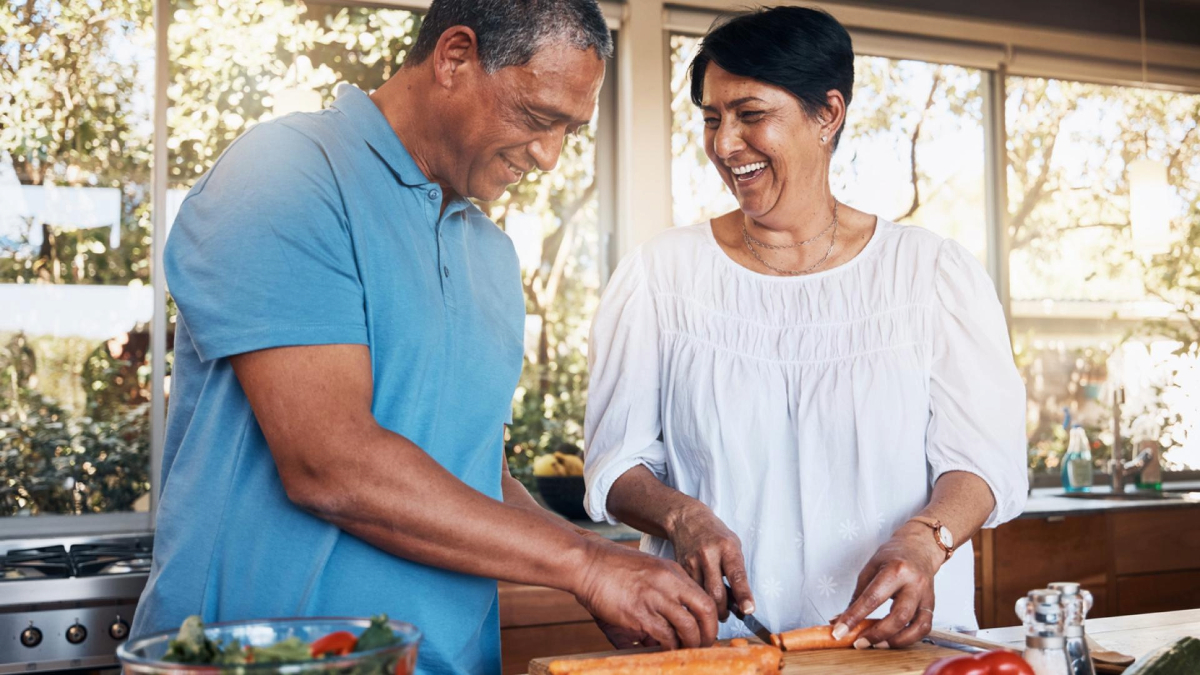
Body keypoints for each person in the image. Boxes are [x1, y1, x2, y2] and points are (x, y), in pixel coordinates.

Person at [132, 1, 718, 672]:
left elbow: (478, 476)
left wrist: (611, 571)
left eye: (569, 131)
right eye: (536, 117)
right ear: (454, 57)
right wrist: (586, 563)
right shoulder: (287, 174)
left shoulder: (492, 256)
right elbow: (330, 462)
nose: (550, 157)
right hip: (261, 659)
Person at [583, 5, 1028, 650]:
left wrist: (927, 539)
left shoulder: (930, 273)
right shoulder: (660, 277)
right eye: (712, 119)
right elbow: (616, 463)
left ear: (828, 114)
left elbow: (984, 460)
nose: (725, 144)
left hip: (896, 649)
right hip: (721, 649)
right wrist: (682, 516)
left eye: (751, 115)